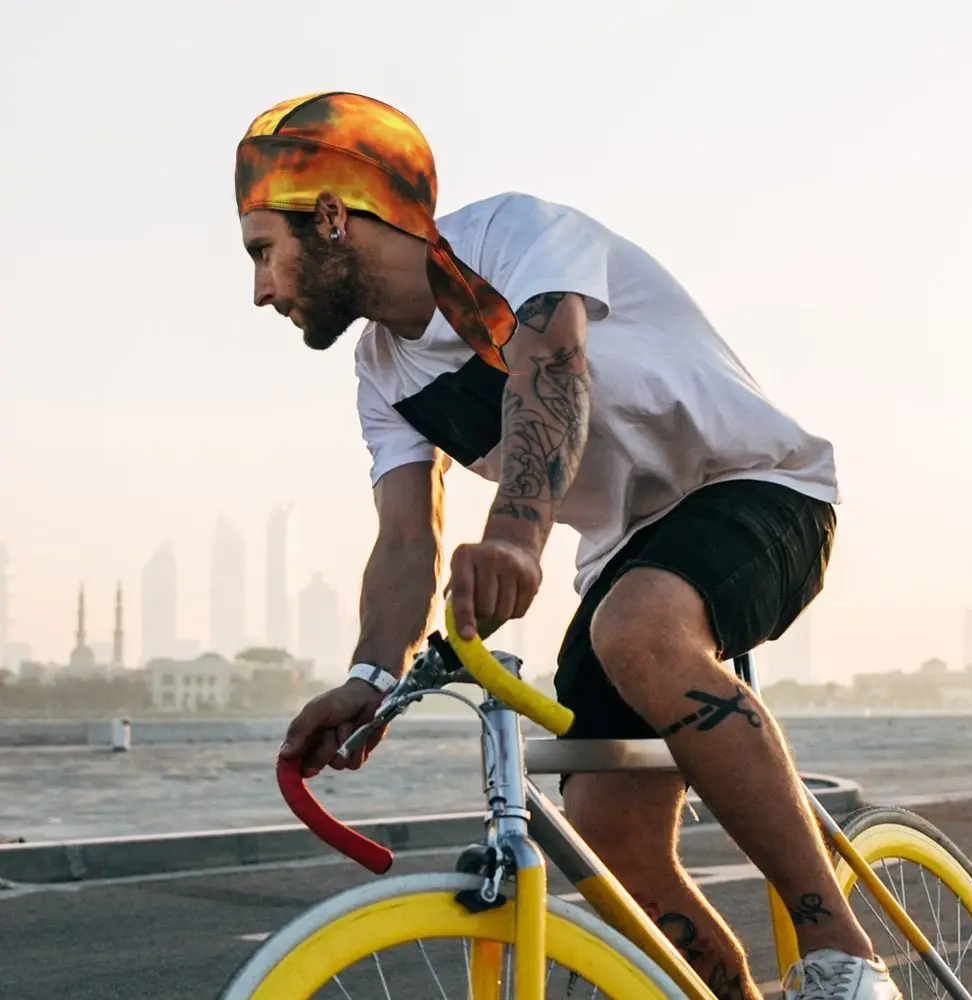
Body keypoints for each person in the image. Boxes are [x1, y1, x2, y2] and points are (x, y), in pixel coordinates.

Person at [234, 91, 901, 1000]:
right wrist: (370, 677)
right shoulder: (381, 375)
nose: (260, 289)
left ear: (329, 217)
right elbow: (405, 540)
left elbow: (551, 365)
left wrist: (515, 537)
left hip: (762, 488)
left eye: (262, 252)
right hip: (627, 554)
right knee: (609, 840)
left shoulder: (508, 236)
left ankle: (844, 961)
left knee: (637, 630)